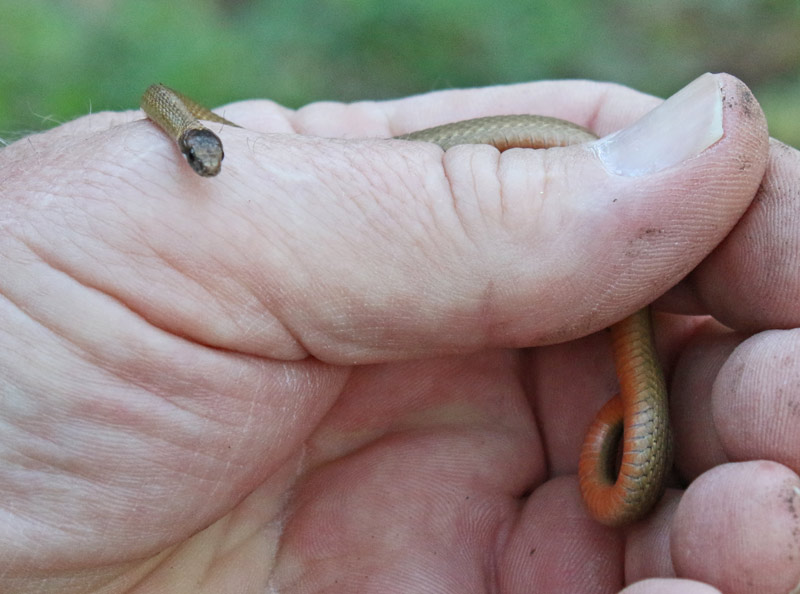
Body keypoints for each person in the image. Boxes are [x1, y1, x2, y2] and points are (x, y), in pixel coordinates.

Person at [1, 72, 797, 594]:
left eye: (212, 158)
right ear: (186, 143)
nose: (211, 168)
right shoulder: (170, 125)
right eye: (201, 159)